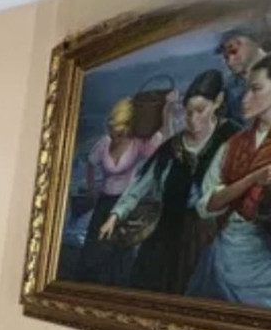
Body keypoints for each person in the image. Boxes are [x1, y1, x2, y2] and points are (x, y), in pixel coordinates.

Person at [98, 69, 239, 294]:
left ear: (218, 102)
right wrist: (116, 215)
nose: (193, 119)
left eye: (200, 110)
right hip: (165, 229)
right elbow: (140, 184)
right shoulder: (172, 147)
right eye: (188, 112)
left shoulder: (232, 137)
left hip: (203, 234)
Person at [187, 56, 271, 306]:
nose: (245, 98)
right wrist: (251, 179)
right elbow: (208, 204)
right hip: (225, 251)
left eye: (256, 89)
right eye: (246, 89)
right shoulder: (232, 145)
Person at [77, 95, 170, 285]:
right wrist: (92, 188)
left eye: (119, 133)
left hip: (125, 203)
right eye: (112, 131)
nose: (114, 136)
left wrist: (166, 112)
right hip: (104, 200)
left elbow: (162, 145)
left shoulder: (137, 144)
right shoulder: (104, 143)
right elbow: (91, 163)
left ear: (128, 127)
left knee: (119, 251)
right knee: (94, 248)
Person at [216, 26, 268, 124]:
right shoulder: (229, 89)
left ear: (253, 42)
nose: (230, 62)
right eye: (225, 56)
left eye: (234, 51)